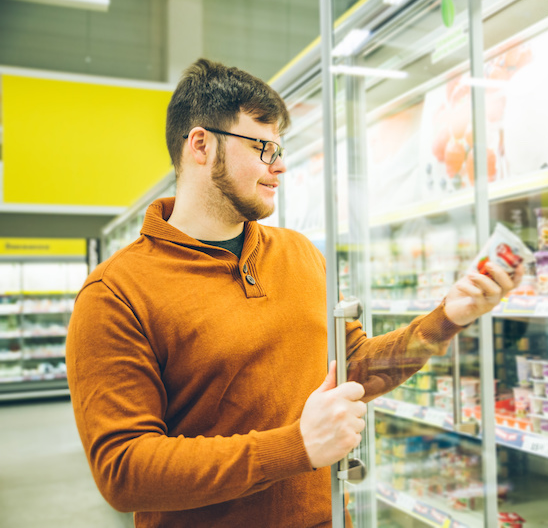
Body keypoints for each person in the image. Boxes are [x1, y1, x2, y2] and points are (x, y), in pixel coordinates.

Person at [65, 58, 521, 528]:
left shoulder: (300, 254)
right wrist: (296, 447)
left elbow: (354, 368)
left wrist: (449, 317)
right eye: (263, 147)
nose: (280, 165)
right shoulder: (115, 294)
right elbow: (124, 471)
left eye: (281, 149)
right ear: (201, 145)